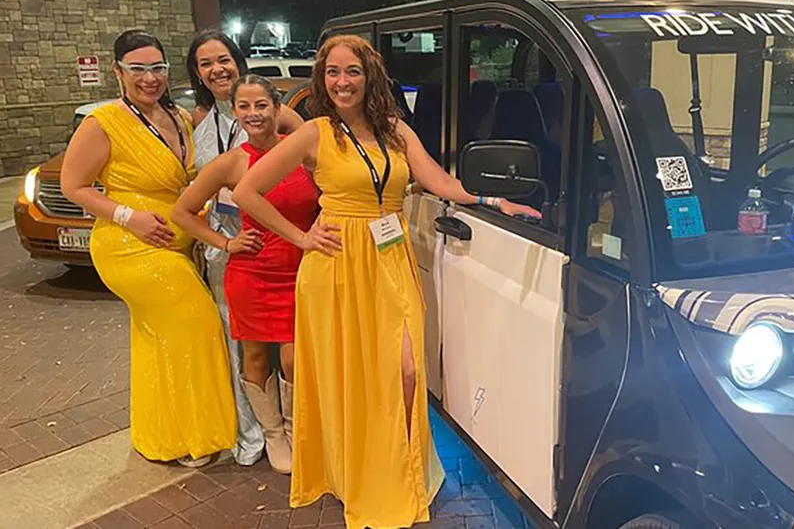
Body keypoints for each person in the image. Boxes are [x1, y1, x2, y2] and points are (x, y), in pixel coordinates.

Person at [232, 34, 540, 528]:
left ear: (369, 75)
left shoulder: (394, 130)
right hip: (336, 265)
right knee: (351, 377)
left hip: (389, 256)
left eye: (351, 71)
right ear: (322, 79)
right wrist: (301, 236)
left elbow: (441, 183)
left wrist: (493, 202)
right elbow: (247, 191)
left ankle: (400, 470)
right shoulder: (314, 133)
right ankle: (359, 474)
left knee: (407, 371)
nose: (342, 81)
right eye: (332, 72)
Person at [60, 29, 236, 467]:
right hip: (128, 246)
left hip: (175, 244)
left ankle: (164, 435)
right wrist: (128, 217)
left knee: (157, 340)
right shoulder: (104, 122)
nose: (149, 78)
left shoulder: (177, 117)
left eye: (157, 68)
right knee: (197, 323)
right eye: (137, 69)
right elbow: (73, 185)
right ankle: (199, 434)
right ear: (118, 71)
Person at [171, 75, 320, 474]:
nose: (254, 114)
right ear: (235, 112)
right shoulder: (230, 163)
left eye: (261, 105)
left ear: (276, 107)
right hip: (252, 271)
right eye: (244, 107)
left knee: (295, 359)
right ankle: (274, 436)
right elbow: (181, 212)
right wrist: (224, 243)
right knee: (255, 356)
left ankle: (295, 428)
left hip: (304, 269)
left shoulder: (303, 154)